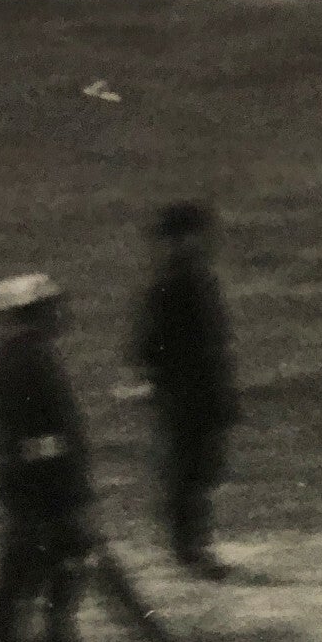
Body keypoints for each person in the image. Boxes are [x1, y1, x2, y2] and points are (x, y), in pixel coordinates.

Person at [0, 272, 97, 642]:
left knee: (23, 576)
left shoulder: (18, 356)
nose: (59, 315)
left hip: (31, 484)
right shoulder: (29, 360)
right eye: (50, 307)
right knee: (57, 577)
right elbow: (40, 433)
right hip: (44, 487)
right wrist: (66, 480)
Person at [132, 200, 238, 578]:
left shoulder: (187, 280)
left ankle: (190, 547)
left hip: (196, 394)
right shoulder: (175, 284)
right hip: (187, 395)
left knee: (199, 471)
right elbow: (148, 346)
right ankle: (190, 550)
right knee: (189, 473)